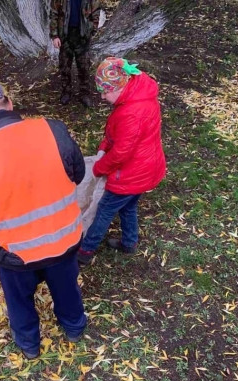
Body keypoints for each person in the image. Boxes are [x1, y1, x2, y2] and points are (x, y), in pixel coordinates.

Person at [0, 78, 87, 359]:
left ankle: (29, 345)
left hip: (14, 256)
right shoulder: (53, 130)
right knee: (67, 289)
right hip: (63, 241)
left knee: (19, 302)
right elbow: (78, 174)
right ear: (9, 103)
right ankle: (74, 326)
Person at [77, 57, 166, 265]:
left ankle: (85, 250)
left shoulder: (131, 113)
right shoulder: (138, 95)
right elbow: (119, 135)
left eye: (106, 92)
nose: (103, 96)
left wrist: (99, 167)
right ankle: (129, 242)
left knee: (104, 210)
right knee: (128, 206)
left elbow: (121, 153)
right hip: (147, 167)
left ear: (120, 86)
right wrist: (102, 147)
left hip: (131, 174)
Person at [50, 0, 102, 107]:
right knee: (64, 66)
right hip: (65, 35)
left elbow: (96, 12)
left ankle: (85, 94)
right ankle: (66, 92)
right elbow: (54, 13)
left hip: (82, 36)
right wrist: (55, 36)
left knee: (84, 67)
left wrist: (91, 31)